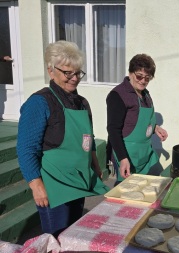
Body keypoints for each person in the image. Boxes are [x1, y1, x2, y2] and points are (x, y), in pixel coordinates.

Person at [16, 40, 109, 237]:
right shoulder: (39, 103)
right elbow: (26, 149)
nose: (74, 78)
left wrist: (95, 165)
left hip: (78, 181)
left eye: (78, 73)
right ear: (51, 71)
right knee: (56, 241)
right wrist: (37, 186)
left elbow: (88, 138)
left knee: (75, 235)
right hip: (54, 187)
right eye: (68, 73)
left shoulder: (82, 103)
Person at [106, 54, 168, 185]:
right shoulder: (118, 95)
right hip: (126, 153)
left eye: (147, 78)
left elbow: (139, 120)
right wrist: (123, 158)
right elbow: (113, 130)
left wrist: (155, 128)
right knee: (124, 189)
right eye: (139, 76)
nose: (143, 81)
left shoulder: (145, 94)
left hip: (142, 152)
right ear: (130, 73)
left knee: (139, 187)